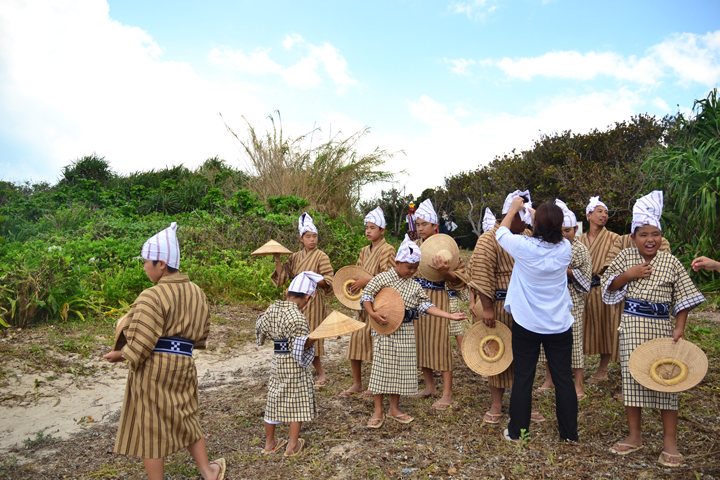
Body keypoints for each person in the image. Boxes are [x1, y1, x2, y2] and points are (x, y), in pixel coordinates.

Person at [103, 223, 226, 480]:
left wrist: (122, 354)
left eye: (147, 262)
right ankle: (208, 471)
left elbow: (143, 340)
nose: (145, 267)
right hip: (183, 363)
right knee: (187, 416)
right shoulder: (198, 293)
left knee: (151, 425)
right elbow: (201, 335)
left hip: (154, 366)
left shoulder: (152, 295)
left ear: (161, 264)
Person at [601, 191, 705, 467]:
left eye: (655, 234)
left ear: (661, 236)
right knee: (633, 379)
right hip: (633, 326)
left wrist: (679, 328)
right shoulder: (625, 257)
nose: (650, 240)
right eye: (644, 234)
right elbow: (608, 285)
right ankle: (635, 435)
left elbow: (683, 297)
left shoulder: (670, 262)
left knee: (667, 382)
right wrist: (629, 274)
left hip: (662, 328)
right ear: (634, 236)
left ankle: (669, 441)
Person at [361, 235, 468, 428]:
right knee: (381, 369)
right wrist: (372, 313)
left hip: (406, 330)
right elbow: (366, 294)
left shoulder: (414, 285)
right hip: (384, 329)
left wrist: (449, 315)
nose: (412, 271)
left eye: (415, 268)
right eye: (409, 267)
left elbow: (426, 305)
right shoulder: (383, 278)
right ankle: (378, 410)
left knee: (400, 369)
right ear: (397, 262)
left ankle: (394, 408)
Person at [496, 199, 579, 443]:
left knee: (524, 377)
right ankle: (569, 434)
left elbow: (500, 232)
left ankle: (518, 432)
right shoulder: (565, 247)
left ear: (535, 225)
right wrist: (539, 215)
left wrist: (514, 209)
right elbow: (550, 230)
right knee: (563, 378)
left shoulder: (523, 246)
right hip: (559, 324)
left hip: (527, 323)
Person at [468, 191, 545, 424]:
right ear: (512, 215)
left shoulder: (528, 234)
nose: (527, 223)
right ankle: (496, 404)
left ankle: (524, 403)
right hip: (499, 304)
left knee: (526, 356)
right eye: (524, 217)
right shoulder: (489, 239)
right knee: (497, 353)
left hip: (526, 305)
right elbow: (481, 273)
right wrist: (487, 307)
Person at [256, 271, 323, 457]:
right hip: (293, 364)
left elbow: (261, 326)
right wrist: (316, 336)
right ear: (308, 297)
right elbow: (298, 346)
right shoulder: (298, 318)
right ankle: (292, 446)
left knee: (274, 398)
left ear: (287, 291)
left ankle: (269, 444)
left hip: (278, 360)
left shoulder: (273, 309)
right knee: (298, 401)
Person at [412, 199, 468, 410]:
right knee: (422, 343)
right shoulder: (414, 247)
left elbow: (462, 277)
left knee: (441, 345)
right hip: (418, 299)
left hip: (438, 299)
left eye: (424, 224)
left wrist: (446, 273)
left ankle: (447, 392)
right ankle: (429, 387)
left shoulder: (446, 248)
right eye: (417, 224)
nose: (420, 228)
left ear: (435, 226)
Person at [536, 200, 592, 400]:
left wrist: (564, 270)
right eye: (561, 230)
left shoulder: (580, 249)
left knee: (574, 339)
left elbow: (586, 277)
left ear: (575, 229)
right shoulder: (552, 245)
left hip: (573, 298)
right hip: (551, 298)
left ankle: (578, 383)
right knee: (547, 338)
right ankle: (549, 379)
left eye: (568, 230)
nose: (565, 234)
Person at [272, 212, 334, 387]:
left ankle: (321, 374)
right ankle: (299, 371)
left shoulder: (322, 256)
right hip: (295, 302)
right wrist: (277, 259)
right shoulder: (295, 257)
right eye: (308, 236)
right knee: (296, 335)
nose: (312, 240)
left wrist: (314, 278)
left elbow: (328, 280)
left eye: (314, 236)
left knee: (312, 335)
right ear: (301, 238)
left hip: (313, 300)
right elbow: (283, 276)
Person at [341, 207, 396, 397]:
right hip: (363, 302)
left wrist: (368, 281)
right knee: (356, 341)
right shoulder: (364, 251)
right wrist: (354, 283)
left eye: (373, 227)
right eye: (367, 227)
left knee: (377, 344)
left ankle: (376, 385)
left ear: (382, 231)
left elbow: (390, 276)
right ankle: (357, 383)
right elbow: (357, 271)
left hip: (379, 302)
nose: (368, 231)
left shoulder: (388, 249)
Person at [578, 196, 619, 383]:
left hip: (604, 289)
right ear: (589, 215)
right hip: (581, 289)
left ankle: (602, 370)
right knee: (578, 329)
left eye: (606, 213)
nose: (604, 215)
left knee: (606, 327)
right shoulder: (579, 240)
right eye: (600, 212)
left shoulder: (614, 239)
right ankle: (574, 366)